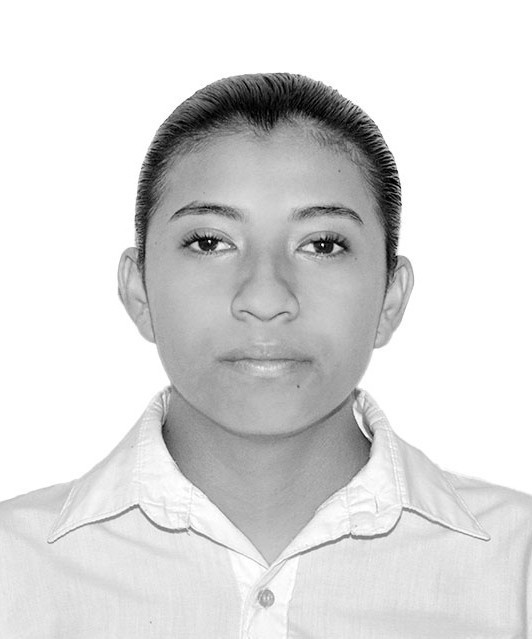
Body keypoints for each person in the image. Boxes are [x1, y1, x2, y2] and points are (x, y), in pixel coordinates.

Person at [0, 73, 530, 637]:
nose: (265, 297)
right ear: (139, 291)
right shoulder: (15, 568)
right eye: (210, 242)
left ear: (391, 297)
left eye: (322, 244)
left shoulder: (516, 569)